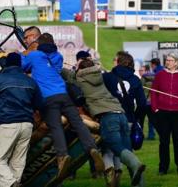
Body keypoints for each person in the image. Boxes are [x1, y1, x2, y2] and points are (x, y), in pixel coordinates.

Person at [21, 33, 105, 180]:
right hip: (63, 94)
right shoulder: (58, 56)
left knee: (56, 127)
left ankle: (62, 156)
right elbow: (54, 69)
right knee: (78, 123)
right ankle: (92, 148)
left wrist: (24, 53)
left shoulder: (35, 56)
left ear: (39, 44)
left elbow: (22, 65)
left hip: (47, 97)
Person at [62, 58, 146, 187]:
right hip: (121, 114)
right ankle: (140, 183)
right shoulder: (101, 76)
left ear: (81, 69)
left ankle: (136, 164)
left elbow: (66, 74)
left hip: (107, 116)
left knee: (116, 148)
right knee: (127, 150)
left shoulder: (80, 80)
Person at [0, 53, 42, 187]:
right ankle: (14, 183)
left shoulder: (1, 79)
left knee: (0, 162)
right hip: (27, 124)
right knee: (18, 162)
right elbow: (39, 104)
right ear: (20, 64)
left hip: (8, 123)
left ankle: (12, 184)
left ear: (7, 64)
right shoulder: (30, 81)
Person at [151, 53, 178, 175]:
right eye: (167, 60)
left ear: (176, 62)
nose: (167, 62)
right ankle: (163, 168)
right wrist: (155, 108)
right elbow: (154, 92)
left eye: (170, 60)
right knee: (163, 141)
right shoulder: (160, 75)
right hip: (162, 112)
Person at [138, 65, 156, 140]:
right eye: (139, 70)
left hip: (144, 102)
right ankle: (151, 135)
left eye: (141, 70)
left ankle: (141, 135)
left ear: (146, 70)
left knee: (140, 120)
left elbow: (140, 90)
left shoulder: (143, 78)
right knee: (151, 120)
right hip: (152, 102)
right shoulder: (155, 77)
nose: (140, 72)